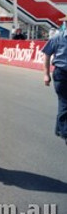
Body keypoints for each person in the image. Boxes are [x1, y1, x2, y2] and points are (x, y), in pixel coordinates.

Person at [42, 17, 67, 145]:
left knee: (64, 104)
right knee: (64, 103)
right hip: (61, 74)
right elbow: (46, 54)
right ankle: (65, 133)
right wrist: (46, 74)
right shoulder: (57, 38)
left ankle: (59, 129)